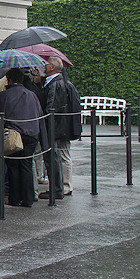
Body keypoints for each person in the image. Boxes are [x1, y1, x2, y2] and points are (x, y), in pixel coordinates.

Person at [0, 68, 46, 207]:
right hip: (31, 134)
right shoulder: (32, 95)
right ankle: (28, 198)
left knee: (13, 166)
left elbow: (1, 115)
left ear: (9, 79)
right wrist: (43, 140)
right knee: (26, 165)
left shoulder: (5, 95)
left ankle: (14, 198)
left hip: (14, 134)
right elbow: (40, 116)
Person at [39, 57, 82, 200]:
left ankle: (57, 189)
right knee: (57, 157)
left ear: (52, 67)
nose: (44, 67)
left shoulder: (56, 84)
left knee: (55, 158)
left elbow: (52, 107)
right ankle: (59, 188)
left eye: (46, 64)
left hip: (55, 127)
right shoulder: (56, 82)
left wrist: (46, 123)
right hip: (58, 126)